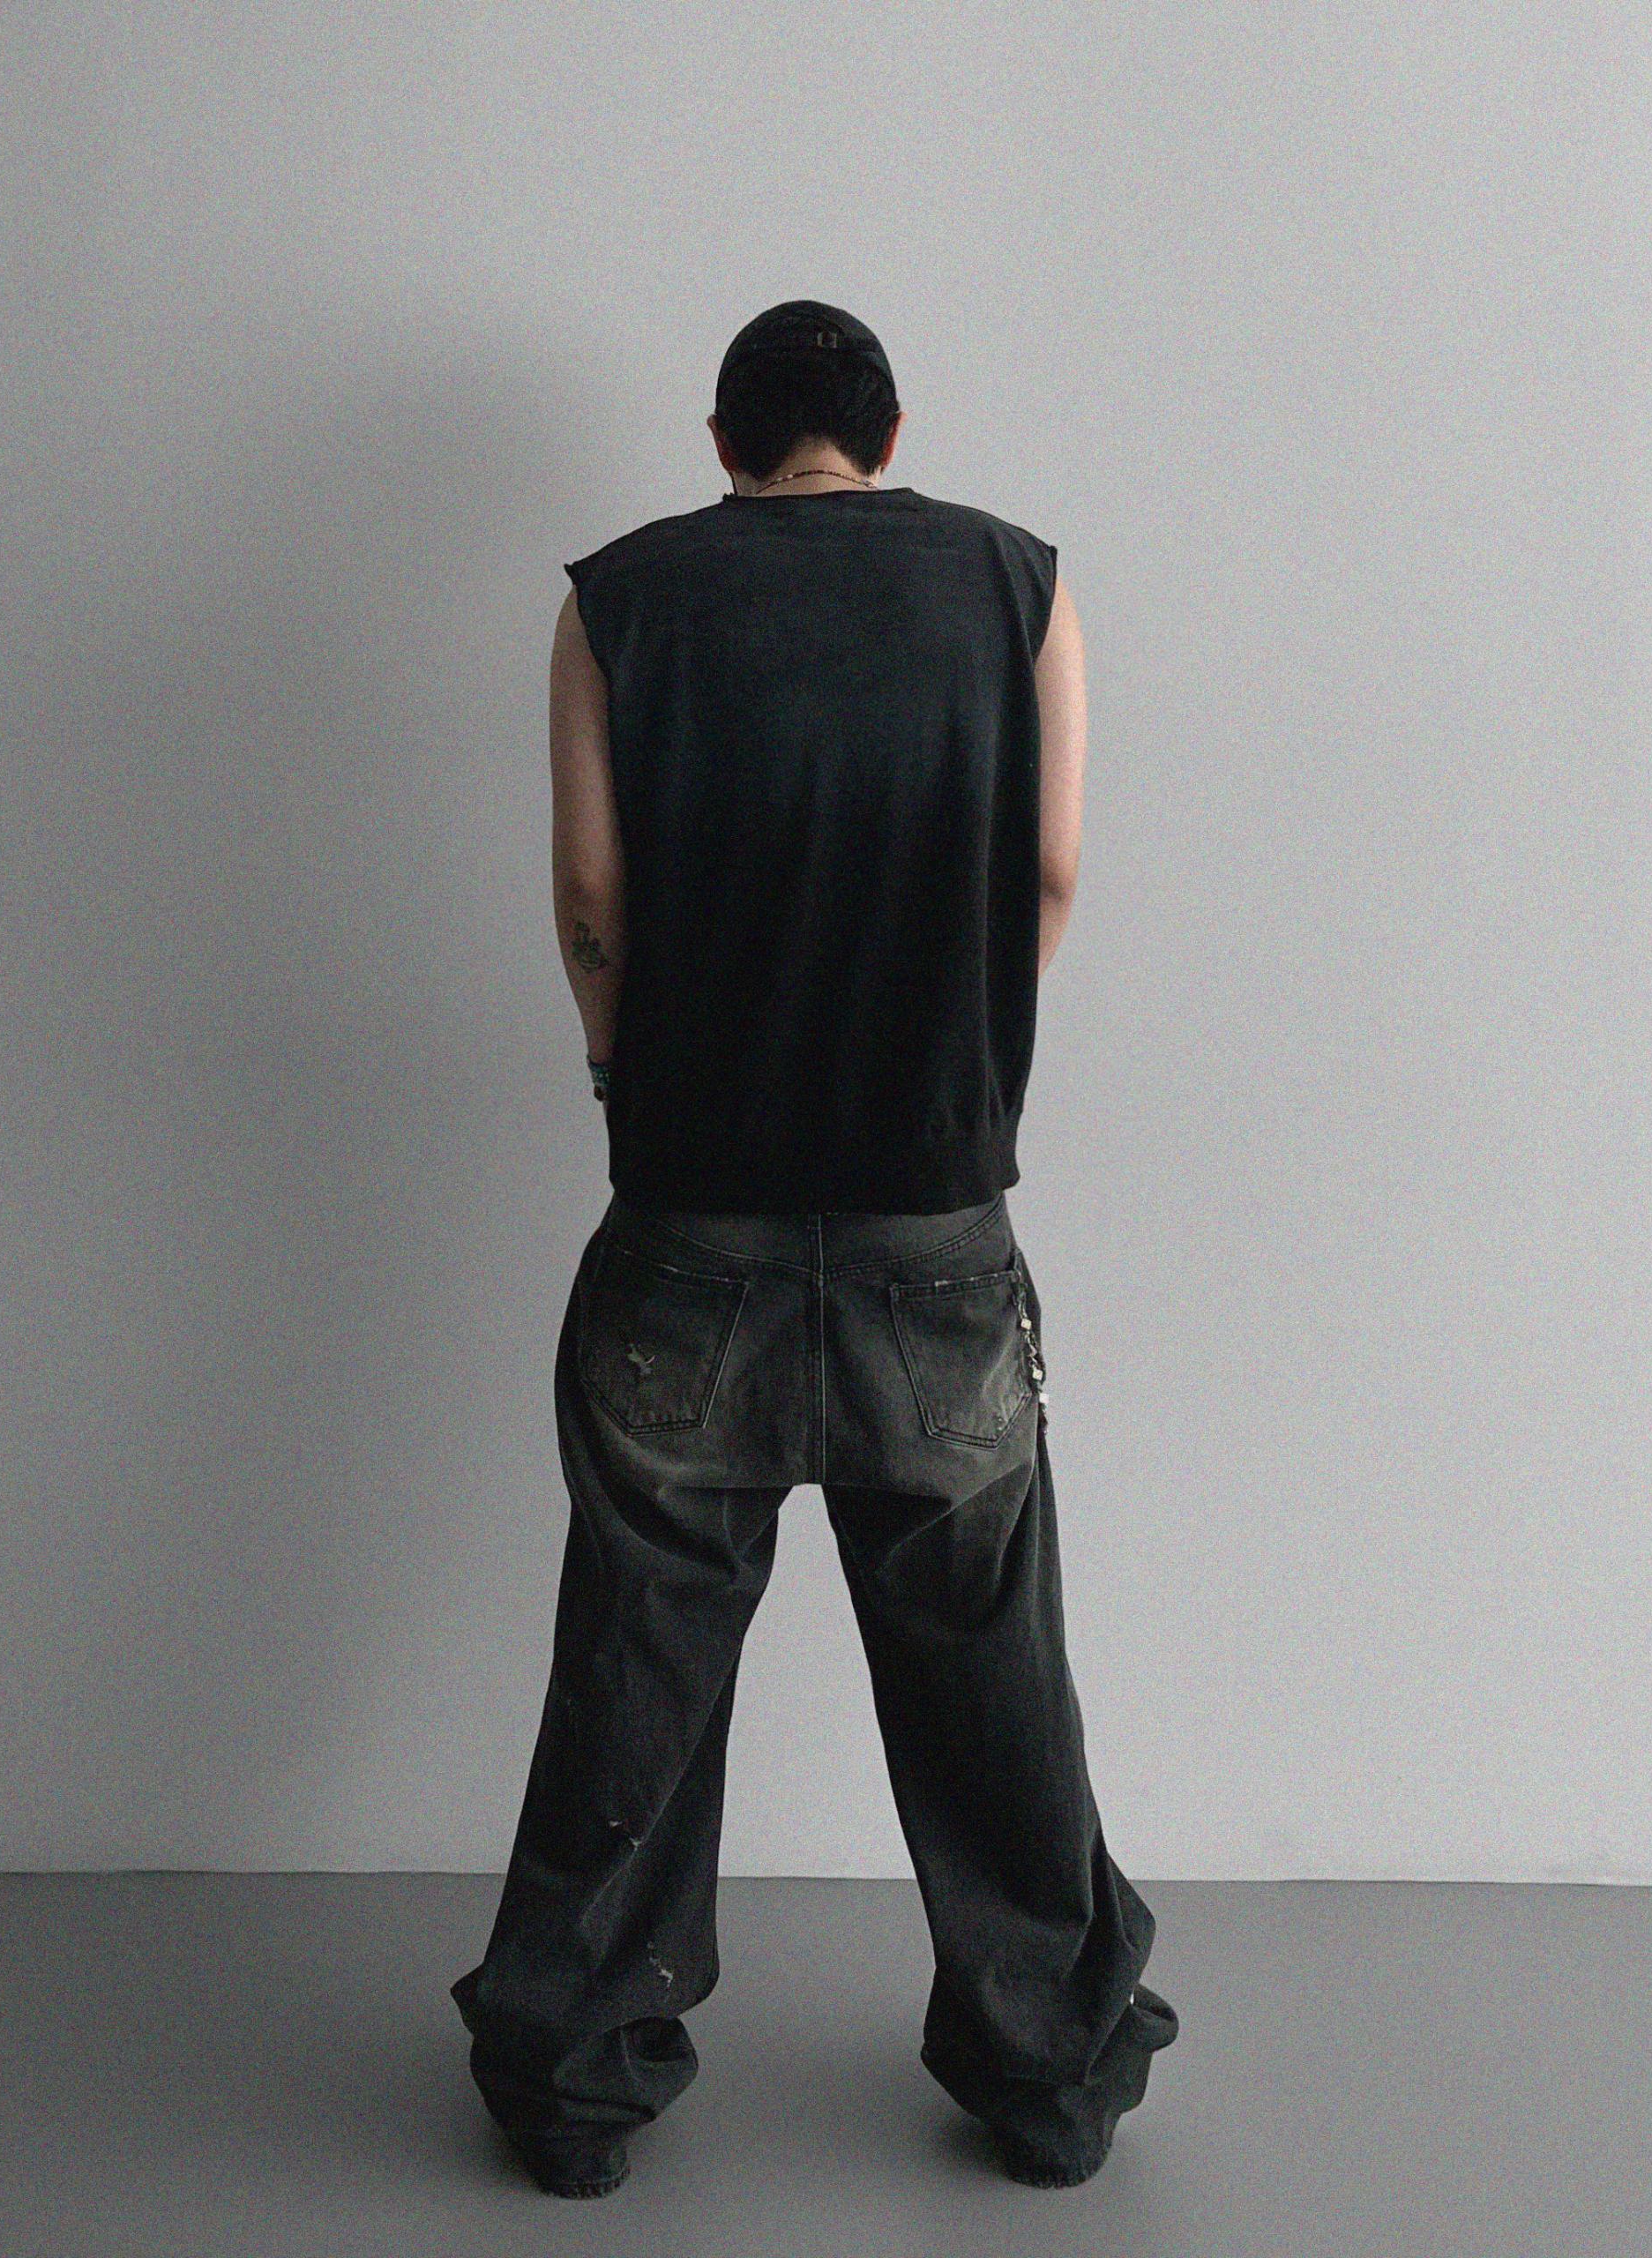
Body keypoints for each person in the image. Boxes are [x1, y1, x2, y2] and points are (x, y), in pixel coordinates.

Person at [450, 299, 1177, 2199]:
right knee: (987, 1666)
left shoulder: (616, 603)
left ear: (723, 442)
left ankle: (577, 2080)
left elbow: (593, 891)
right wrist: (958, 1044)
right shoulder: (1018, 587)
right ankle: (1048, 2072)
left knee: (639, 1653)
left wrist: (617, 1060)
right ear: (891, 431)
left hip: (689, 1222)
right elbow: (1051, 869)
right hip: (937, 1224)